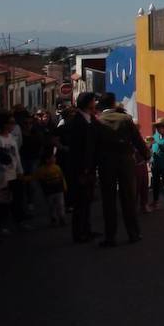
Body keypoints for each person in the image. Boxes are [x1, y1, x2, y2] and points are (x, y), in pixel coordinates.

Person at [94, 93, 148, 246]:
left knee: (109, 201)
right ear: (113, 103)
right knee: (128, 199)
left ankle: (110, 237)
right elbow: (137, 140)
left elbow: (94, 146)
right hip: (126, 163)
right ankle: (133, 234)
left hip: (105, 165)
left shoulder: (98, 122)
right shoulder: (125, 119)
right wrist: (146, 154)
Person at [62, 93, 97, 243]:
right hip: (80, 169)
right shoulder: (78, 122)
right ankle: (79, 233)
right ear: (88, 104)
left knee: (87, 201)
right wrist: (83, 169)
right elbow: (79, 148)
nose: (95, 104)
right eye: (93, 101)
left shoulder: (88, 119)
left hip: (87, 168)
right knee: (80, 203)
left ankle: (86, 230)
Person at [33, 149, 67, 227]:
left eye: (54, 157)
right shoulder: (42, 170)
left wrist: (64, 186)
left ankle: (61, 218)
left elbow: (62, 177)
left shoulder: (57, 167)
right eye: (52, 158)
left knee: (60, 204)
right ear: (47, 160)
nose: (54, 159)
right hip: (50, 191)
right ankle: (54, 218)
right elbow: (35, 176)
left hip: (57, 190)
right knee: (52, 205)